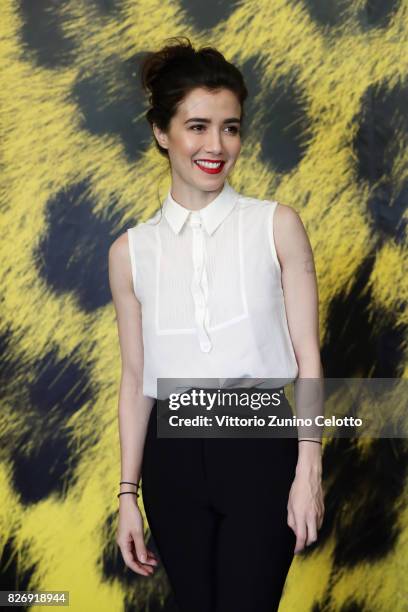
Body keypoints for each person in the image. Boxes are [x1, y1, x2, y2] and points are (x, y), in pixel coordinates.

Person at [109, 36, 325, 612]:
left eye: (230, 127)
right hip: (170, 460)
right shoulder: (130, 252)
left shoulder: (276, 226)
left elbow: (308, 357)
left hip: (260, 446)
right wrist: (127, 495)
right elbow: (135, 381)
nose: (216, 144)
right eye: (198, 126)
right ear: (163, 132)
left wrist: (309, 467)